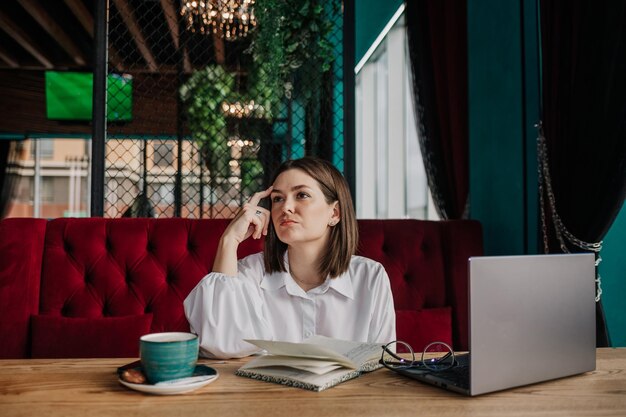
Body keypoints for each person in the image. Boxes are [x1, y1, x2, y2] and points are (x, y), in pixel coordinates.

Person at [184, 157, 396, 358]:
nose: (285, 207)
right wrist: (229, 241)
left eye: (302, 195)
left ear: (335, 213)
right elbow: (218, 345)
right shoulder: (251, 273)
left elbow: (383, 363)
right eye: (277, 198)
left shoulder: (370, 277)